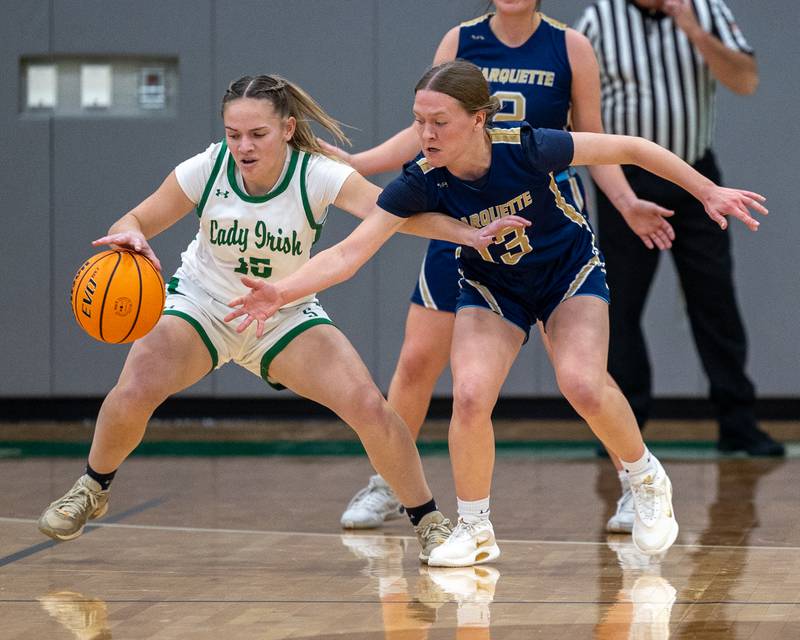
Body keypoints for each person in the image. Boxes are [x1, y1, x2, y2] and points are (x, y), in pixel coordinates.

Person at [225, 60, 766, 565]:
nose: (426, 134)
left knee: (580, 382)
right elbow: (348, 252)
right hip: (492, 285)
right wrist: (283, 290)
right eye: (418, 122)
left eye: (439, 122)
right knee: (469, 395)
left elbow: (633, 148)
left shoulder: (527, 147)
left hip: (565, 274)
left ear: (479, 120)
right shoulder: (422, 180)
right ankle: (476, 529)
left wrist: (706, 190)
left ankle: (646, 478)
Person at [36, 73, 528, 563]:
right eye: (234, 134)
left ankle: (429, 521)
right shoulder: (206, 169)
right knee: (136, 384)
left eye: (257, 134)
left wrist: (468, 232)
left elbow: (391, 213)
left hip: (283, 311)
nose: (243, 146)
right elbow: (134, 220)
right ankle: (91, 488)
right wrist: (131, 236)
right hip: (205, 304)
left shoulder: (315, 173)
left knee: (369, 406)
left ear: (288, 128)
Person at [323, 0, 677, 536]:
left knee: (581, 374)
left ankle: (636, 483)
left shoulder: (569, 46)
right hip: (461, 216)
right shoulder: (460, 40)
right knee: (418, 360)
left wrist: (625, 202)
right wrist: (359, 162)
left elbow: (596, 138)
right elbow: (425, 127)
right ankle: (390, 483)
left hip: (539, 220)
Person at [574, 0, 784, 458]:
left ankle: (738, 422)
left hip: (696, 179)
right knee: (619, 306)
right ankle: (625, 428)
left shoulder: (706, 10)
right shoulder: (597, 19)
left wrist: (692, 27)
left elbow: (745, 80)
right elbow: (581, 113)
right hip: (627, 183)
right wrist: (622, 195)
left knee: (716, 301)